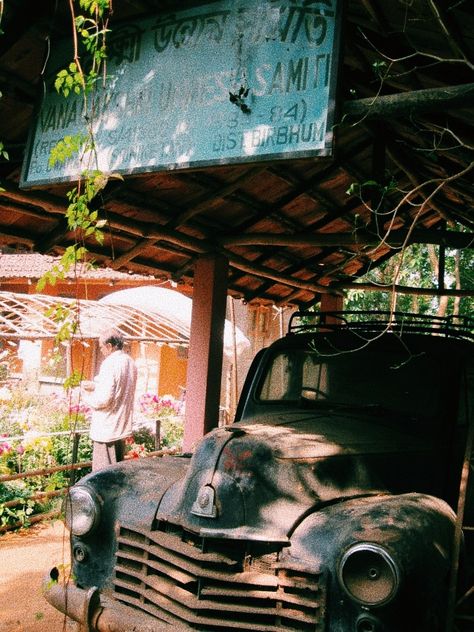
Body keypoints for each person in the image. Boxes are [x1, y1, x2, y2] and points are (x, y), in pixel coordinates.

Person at [83, 329, 137, 471]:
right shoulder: (130, 362)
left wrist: (85, 396)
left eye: (101, 347)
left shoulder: (110, 363)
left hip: (107, 429)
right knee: (116, 472)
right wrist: (96, 386)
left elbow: (103, 400)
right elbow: (120, 388)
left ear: (109, 346)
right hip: (121, 426)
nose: (101, 350)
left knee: (103, 476)